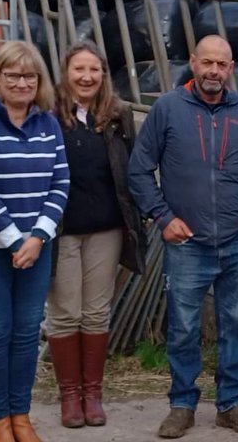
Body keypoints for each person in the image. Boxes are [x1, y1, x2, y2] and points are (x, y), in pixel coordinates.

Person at [127, 34, 238, 437]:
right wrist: (163, 217)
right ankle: (182, 404)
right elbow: (139, 170)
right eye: (207, 62)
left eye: (222, 64)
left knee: (237, 325)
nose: (214, 71)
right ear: (193, 63)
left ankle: (231, 404)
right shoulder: (168, 109)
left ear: (230, 68)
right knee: (184, 328)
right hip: (187, 242)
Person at [0, 40, 70, 442]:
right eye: (13, 75)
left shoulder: (49, 124)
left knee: (26, 332)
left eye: (29, 76)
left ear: (39, 81)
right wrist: (13, 239)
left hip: (37, 247)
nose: (21, 83)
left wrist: (38, 236)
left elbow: (61, 182)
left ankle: (21, 415)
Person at [46, 41, 146, 429]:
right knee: (65, 313)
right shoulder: (49, 115)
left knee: (95, 312)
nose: (87, 77)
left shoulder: (118, 115)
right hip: (61, 231)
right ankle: (70, 395)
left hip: (107, 229)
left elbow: (129, 168)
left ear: (103, 75)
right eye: (79, 69)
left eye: (94, 70)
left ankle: (93, 394)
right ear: (65, 73)